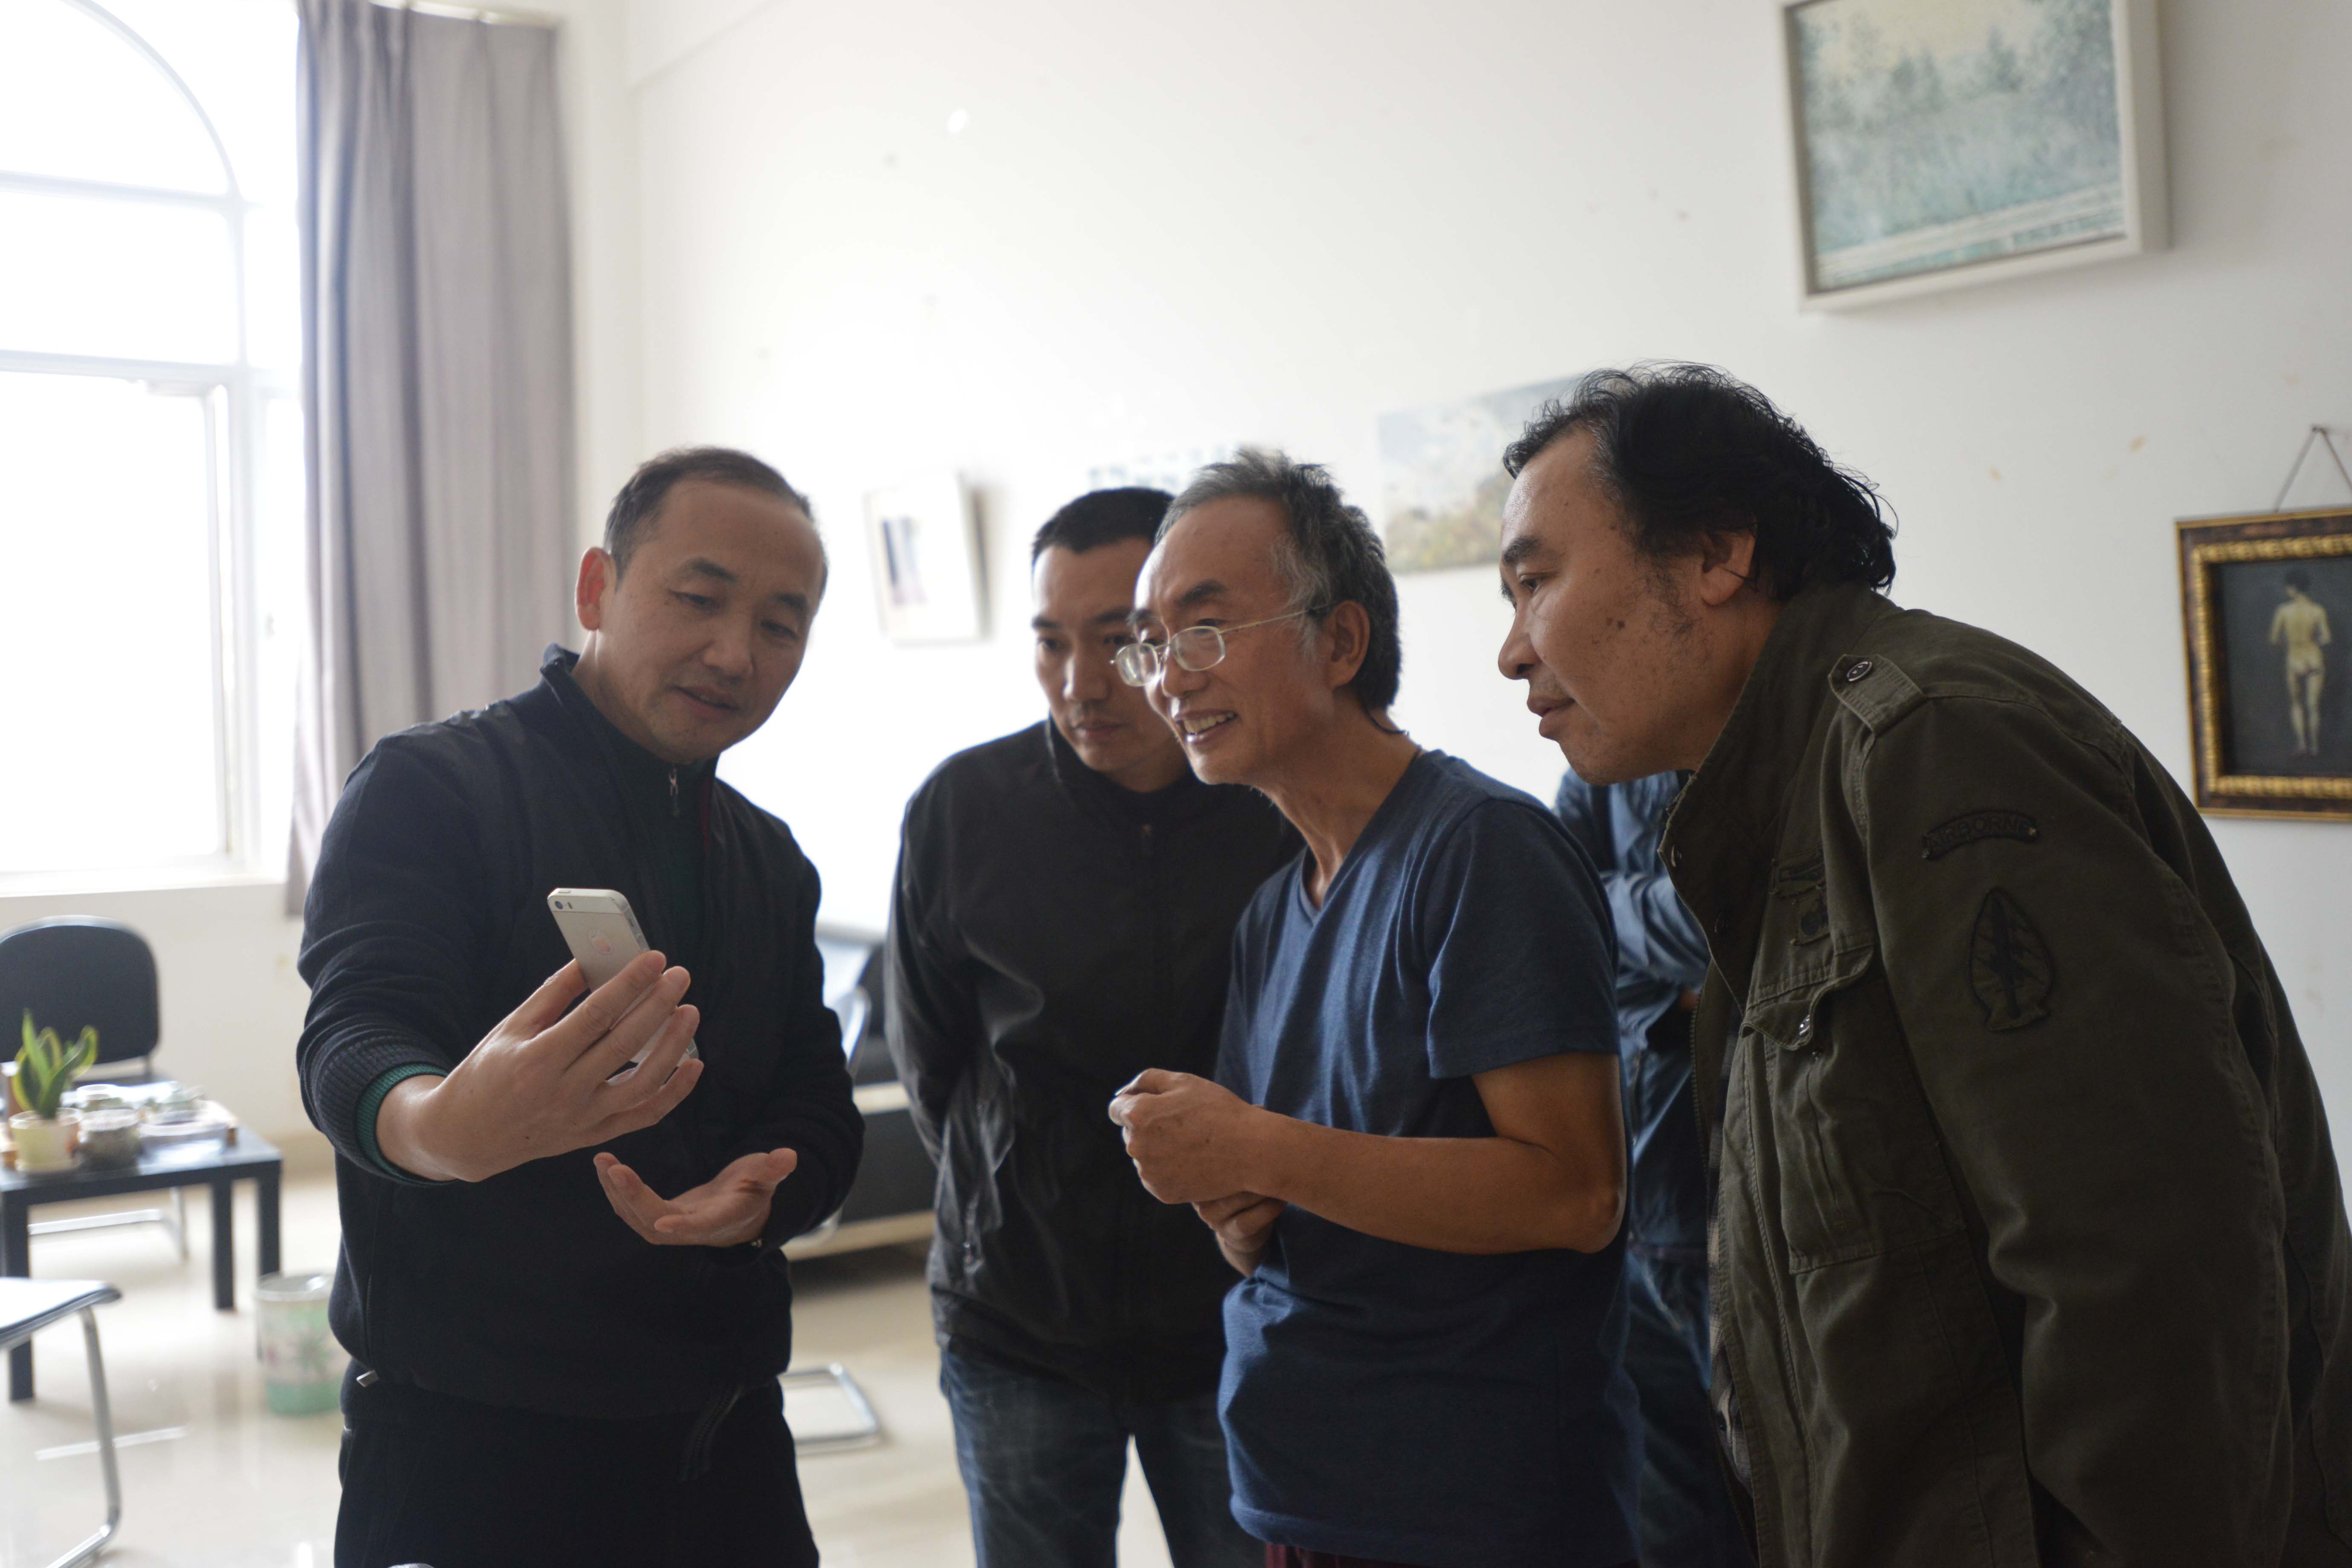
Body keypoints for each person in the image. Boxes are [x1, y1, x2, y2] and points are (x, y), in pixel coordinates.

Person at [1495, 363, 2352, 1568]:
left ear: (1715, 553)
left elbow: (2143, 1277)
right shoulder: (1775, 803)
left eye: (1535, 582)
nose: (1510, 651)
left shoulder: (1933, 745)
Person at [297, 447, 865, 1568]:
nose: (735, 653)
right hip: (477, 1448)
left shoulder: (769, 858)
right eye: (698, 599)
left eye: (780, 625)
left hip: (730, 1435)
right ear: (597, 587)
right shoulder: (433, 787)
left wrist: (768, 1191)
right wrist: (440, 1128)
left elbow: (818, 1096)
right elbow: (355, 1030)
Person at [1106, 451, 1638, 1568]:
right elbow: (1274, 1221)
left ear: (1341, 641)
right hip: (1298, 1480)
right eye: (1151, 644)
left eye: (1205, 630)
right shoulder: (1274, 911)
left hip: (1464, 1502)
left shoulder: (1480, 851)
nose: (1167, 680)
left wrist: (1257, 1149)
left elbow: (1576, 1192)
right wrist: (1227, 1196)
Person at [885, 487, 1295, 1568]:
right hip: (1016, 1317)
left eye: (1116, 641)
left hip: (1234, 1316)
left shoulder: (1274, 809)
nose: (1080, 683)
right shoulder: (963, 810)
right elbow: (934, 1068)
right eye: (1050, 642)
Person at [1553, 769, 1750, 1568]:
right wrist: (1672, 1000)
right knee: (1669, 1528)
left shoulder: (1754, 750)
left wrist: (1605, 904)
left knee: (1784, 1503)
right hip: (1632, 1222)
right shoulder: (1588, 773)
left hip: (1748, 1220)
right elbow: (1555, 936)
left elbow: (1717, 929)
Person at [2272, 568, 2332, 756]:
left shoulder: (2283, 611)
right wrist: (2312, 641)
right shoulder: (2317, 610)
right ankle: (2315, 746)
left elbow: (2274, 639)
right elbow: (2326, 638)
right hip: (2313, 657)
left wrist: (2289, 642)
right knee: (2313, 706)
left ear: (2292, 588)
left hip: (2295, 658)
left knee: (2296, 704)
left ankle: (2302, 744)